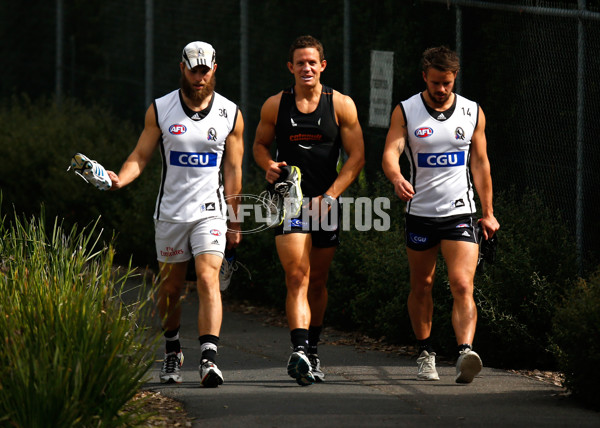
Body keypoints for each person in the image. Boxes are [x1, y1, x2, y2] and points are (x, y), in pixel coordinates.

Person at [107, 41, 244, 388]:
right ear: (182, 68)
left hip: (210, 213)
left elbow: (232, 169)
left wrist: (235, 219)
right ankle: (172, 349)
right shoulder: (161, 109)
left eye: (205, 70)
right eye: (193, 70)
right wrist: (120, 178)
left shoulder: (231, 113)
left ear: (215, 69)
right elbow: (140, 155)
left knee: (208, 277)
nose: (199, 77)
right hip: (170, 213)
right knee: (170, 288)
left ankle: (209, 360)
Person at [382, 46, 500, 384]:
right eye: (435, 83)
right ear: (424, 77)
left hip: (460, 212)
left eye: (447, 83)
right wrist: (396, 176)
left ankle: (465, 352)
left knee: (463, 283)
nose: (441, 90)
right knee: (423, 284)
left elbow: (480, 164)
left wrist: (488, 212)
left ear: (454, 79)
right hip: (420, 213)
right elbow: (391, 151)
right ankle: (425, 352)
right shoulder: (406, 111)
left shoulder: (472, 112)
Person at [253, 35, 365, 386]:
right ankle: (299, 350)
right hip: (289, 202)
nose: (306, 68)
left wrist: (330, 196)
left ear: (322, 66)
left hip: (324, 203)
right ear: (291, 67)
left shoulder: (341, 105)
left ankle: (313, 350)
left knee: (317, 281)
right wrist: (267, 165)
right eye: (299, 62)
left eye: (312, 62)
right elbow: (258, 145)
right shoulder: (276, 105)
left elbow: (357, 156)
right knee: (297, 277)